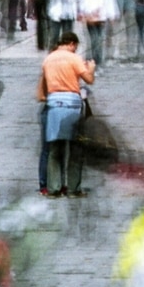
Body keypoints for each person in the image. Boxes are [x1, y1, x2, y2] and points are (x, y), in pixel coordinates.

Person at [39, 28, 94, 198]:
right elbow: (89, 80)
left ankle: (54, 189)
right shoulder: (74, 58)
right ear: (72, 44)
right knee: (76, 149)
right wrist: (91, 68)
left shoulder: (48, 59)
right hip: (72, 104)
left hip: (54, 104)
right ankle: (73, 189)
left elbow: (44, 87)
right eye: (75, 47)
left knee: (55, 149)